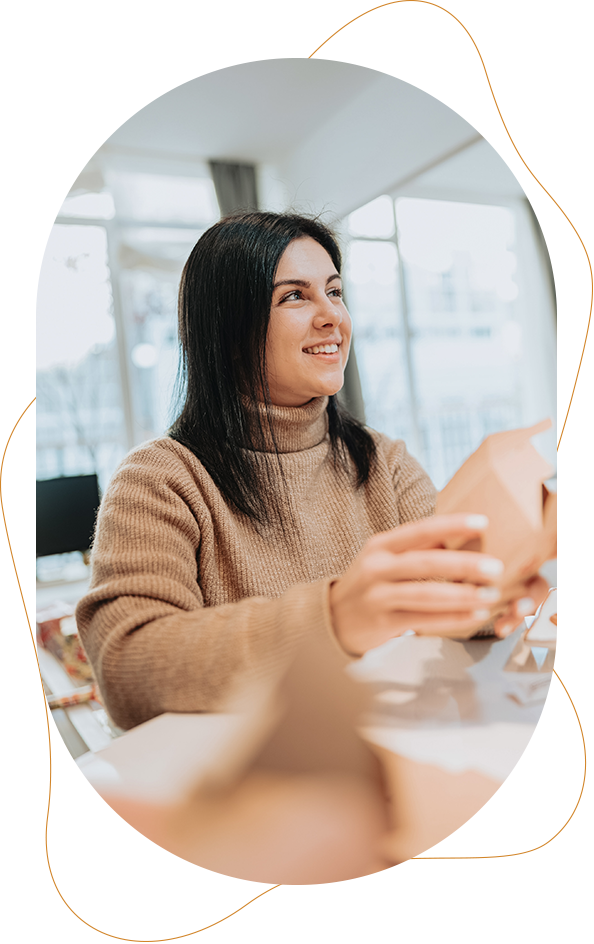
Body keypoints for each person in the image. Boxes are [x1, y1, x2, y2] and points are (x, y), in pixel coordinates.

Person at [75, 211, 548, 732]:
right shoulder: (161, 478)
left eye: (335, 291)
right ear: (228, 330)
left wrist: (507, 580)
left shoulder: (383, 460)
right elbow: (127, 666)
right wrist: (333, 617)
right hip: (255, 788)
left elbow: (444, 593)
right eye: (294, 296)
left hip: (386, 755)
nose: (333, 318)